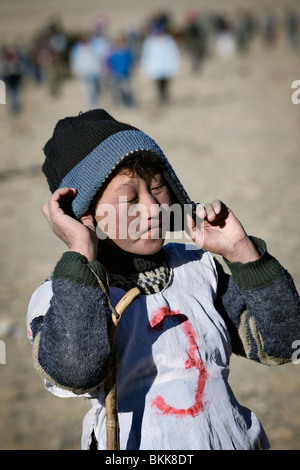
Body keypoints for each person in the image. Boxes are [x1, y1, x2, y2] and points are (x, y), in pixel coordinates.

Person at [27, 108, 300, 450]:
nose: (154, 208)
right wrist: (81, 251)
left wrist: (244, 254)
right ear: (82, 213)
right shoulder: (63, 294)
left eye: (157, 188)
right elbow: (78, 371)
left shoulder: (196, 269)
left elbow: (284, 344)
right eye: (130, 199)